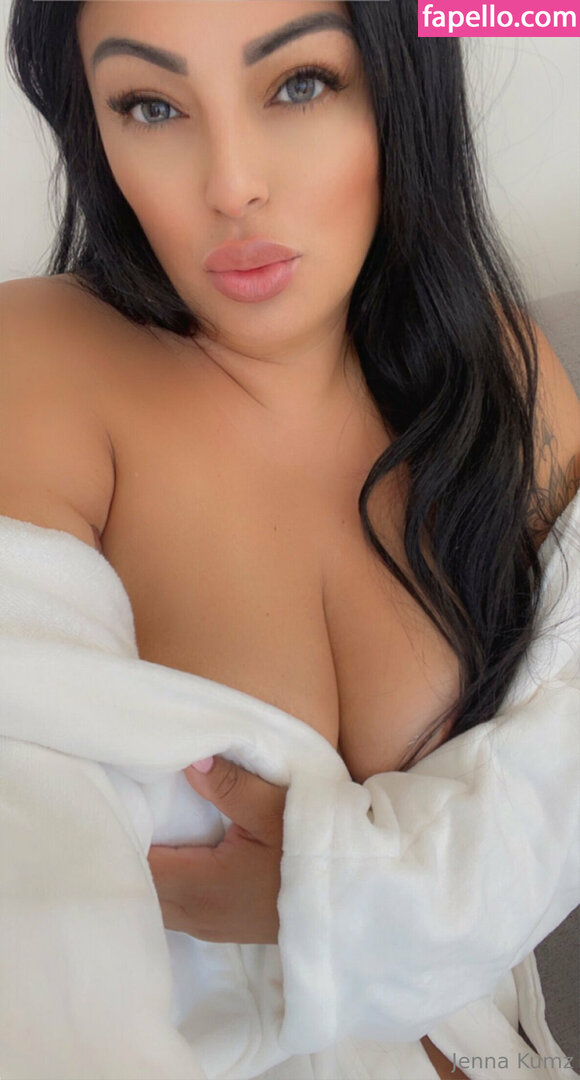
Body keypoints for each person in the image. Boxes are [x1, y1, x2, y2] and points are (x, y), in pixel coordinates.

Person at [1, 2, 579, 1078]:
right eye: (151, 105)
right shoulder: (30, 367)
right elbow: (32, 892)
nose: (231, 184)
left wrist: (342, 894)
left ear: (400, 88)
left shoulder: (495, 372)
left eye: (300, 84)